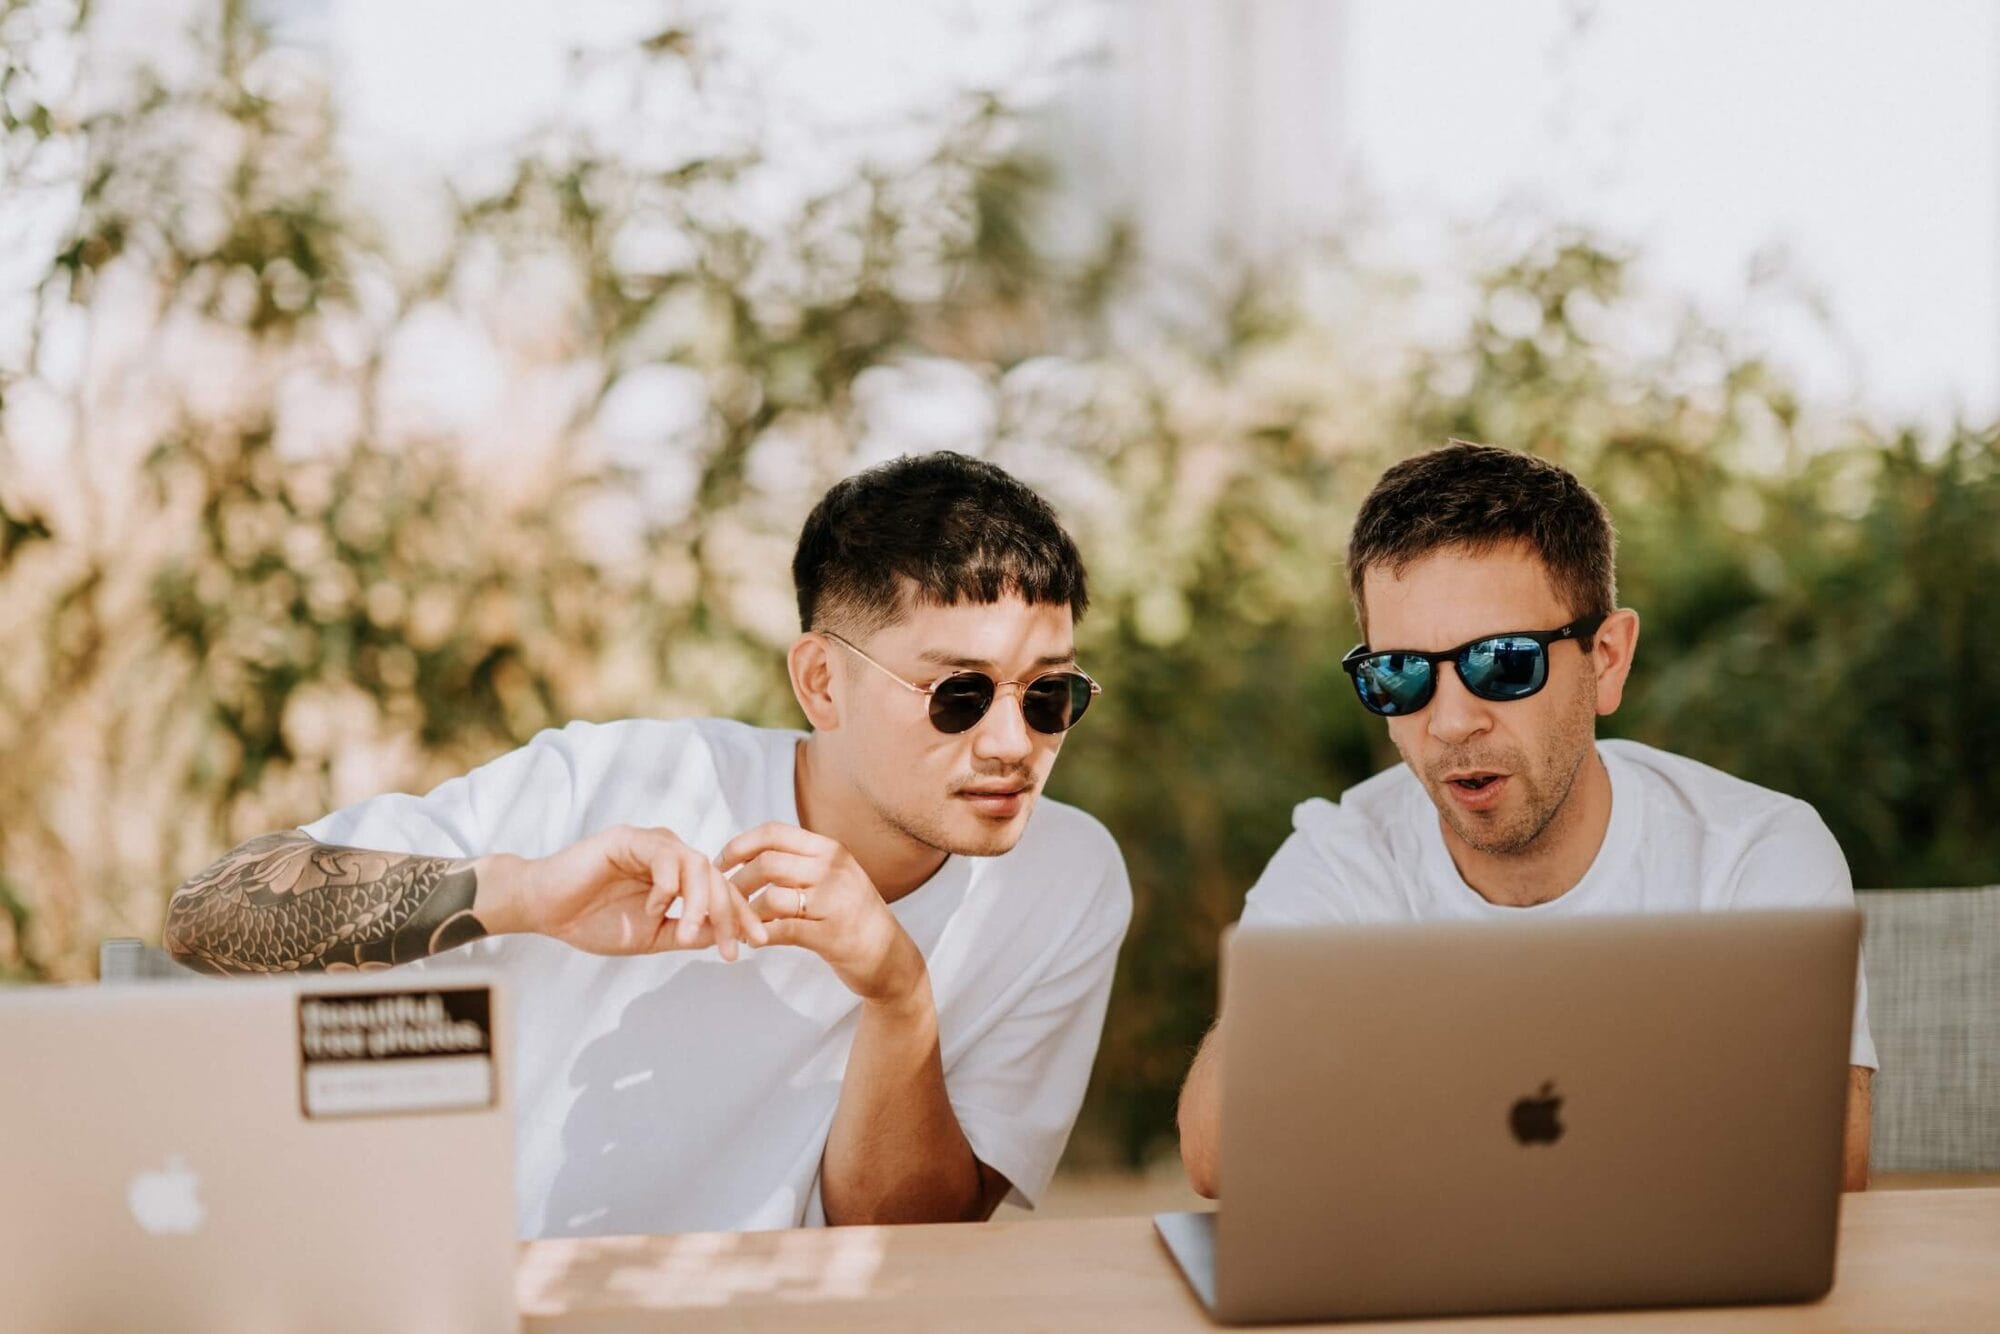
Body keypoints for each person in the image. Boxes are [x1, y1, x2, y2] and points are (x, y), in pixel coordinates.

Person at [164, 451, 1132, 1237]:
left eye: (1049, 695)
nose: (1013, 744)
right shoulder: (618, 781)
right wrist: (523, 892)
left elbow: (903, 1244)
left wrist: (896, 991)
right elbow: (209, 915)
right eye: (958, 694)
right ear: (821, 683)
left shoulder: (1064, 881)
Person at [1176, 441, 1876, 1196]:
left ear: (1605, 659)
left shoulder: (1751, 849)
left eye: (1502, 663)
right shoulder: (1347, 853)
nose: (1449, 723)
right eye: (1401, 672)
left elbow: (1826, 1151)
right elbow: (1219, 1153)